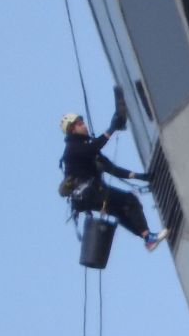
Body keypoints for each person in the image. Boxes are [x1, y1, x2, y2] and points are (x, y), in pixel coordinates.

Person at [59, 103, 168, 252]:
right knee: (130, 200)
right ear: (72, 129)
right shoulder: (73, 148)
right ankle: (148, 237)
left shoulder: (86, 148)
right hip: (90, 193)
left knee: (119, 210)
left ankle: (147, 238)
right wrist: (111, 129)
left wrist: (139, 176)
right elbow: (94, 147)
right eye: (80, 124)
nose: (84, 126)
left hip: (90, 196)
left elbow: (111, 169)